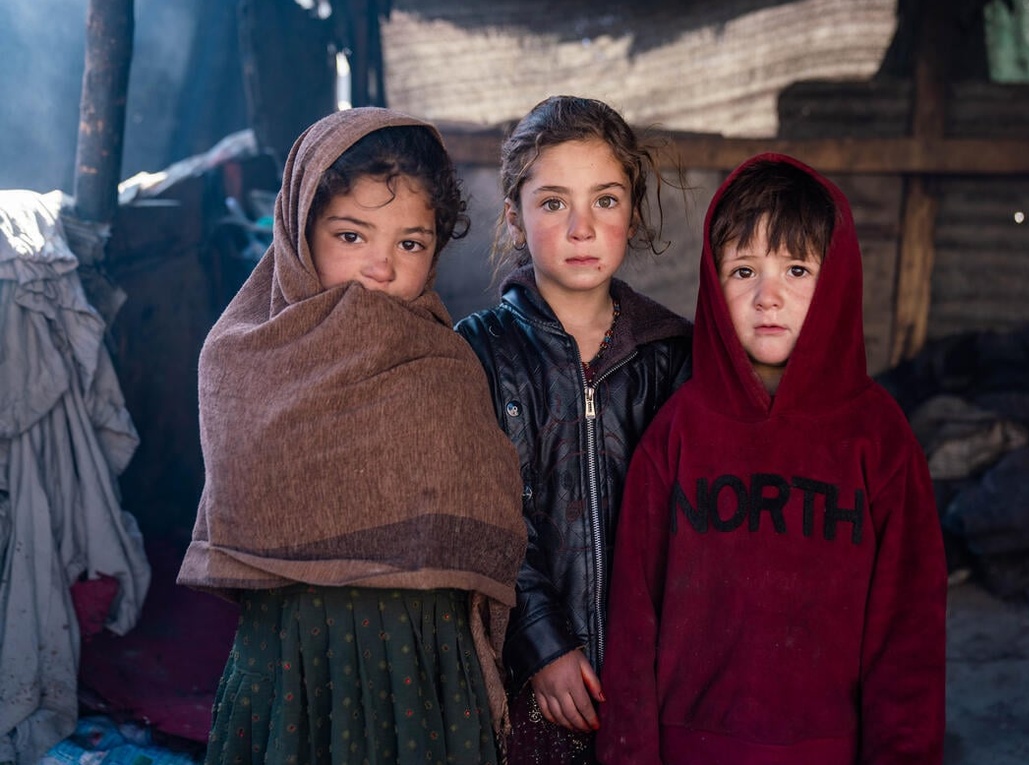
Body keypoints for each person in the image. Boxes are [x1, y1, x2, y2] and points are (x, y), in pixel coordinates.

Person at [177, 107, 527, 765]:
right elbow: (247, 497)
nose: (380, 267)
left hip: (422, 665)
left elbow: (485, 514)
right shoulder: (242, 359)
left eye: (411, 243)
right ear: (299, 232)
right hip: (297, 661)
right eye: (351, 235)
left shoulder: (446, 365)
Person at [597, 153, 947, 764]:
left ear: (837, 280)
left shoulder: (878, 438)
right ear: (713, 284)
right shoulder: (677, 433)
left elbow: (909, 632)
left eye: (797, 269)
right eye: (743, 270)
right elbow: (633, 620)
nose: (768, 297)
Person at [454, 95, 693, 765]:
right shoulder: (478, 352)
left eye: (605, 201)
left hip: (653, 669)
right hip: (529, 677)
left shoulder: (673, 354)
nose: (582, 228)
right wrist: (544, 644)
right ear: (514, 217)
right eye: (554, 202)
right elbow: (484, 516)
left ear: (633, 215)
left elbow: (692, 522)